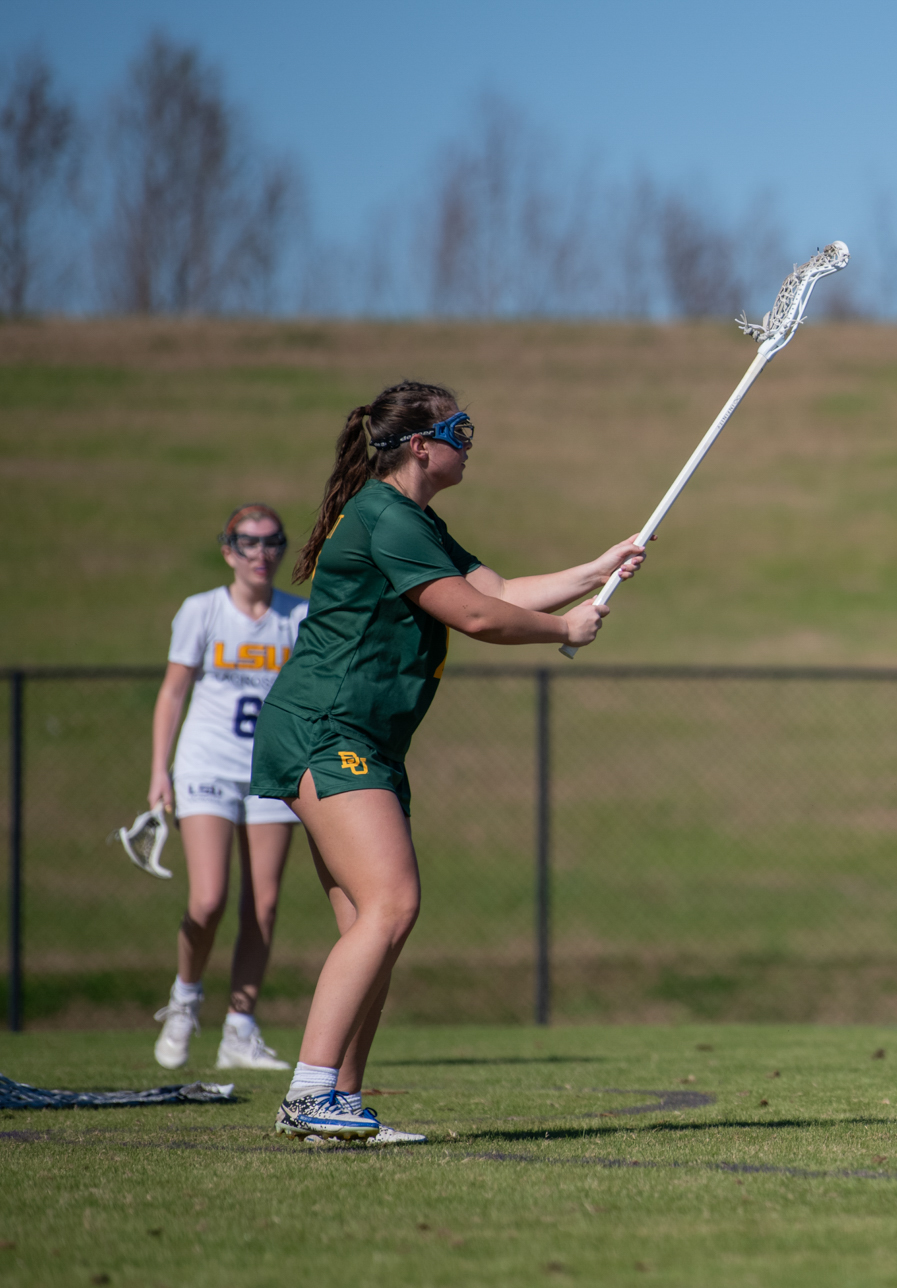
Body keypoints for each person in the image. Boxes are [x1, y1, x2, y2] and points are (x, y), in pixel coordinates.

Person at [249, 380, 646, 1144]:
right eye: (460, 429)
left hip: (365, 738)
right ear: (421, 445)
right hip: (329, 731)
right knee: (393, 905)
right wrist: (559, 628)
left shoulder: (416, 522)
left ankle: (339, 1103)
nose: (472, 440)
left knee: (371, 924)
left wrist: (597, 569)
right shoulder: (384, 517)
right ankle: (307, 1095)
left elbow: (495, 588)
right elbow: (470, 614)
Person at [146, 504, 309, 1072]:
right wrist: (158, 771)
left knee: (261, 905)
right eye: (247, 543)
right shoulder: (203, 611)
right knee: (208, 898)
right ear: (228, 551)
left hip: (270, 771)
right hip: (207, 765)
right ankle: (186, 998)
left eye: (271, 543)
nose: (260, 553)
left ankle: (240, 1028)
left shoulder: (298, 616)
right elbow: (172, 694)